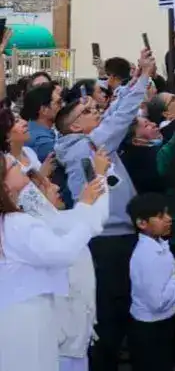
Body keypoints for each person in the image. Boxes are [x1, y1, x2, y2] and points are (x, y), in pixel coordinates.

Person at [55, 49, 153, 371]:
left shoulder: (89, 140)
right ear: (74, 127)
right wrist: (142, 81)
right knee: (110, 313)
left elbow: (113, 116)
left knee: (116, 309)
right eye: (87, 110)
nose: (96, 111)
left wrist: (137, 79)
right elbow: (119, 119)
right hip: (108, 240)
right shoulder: (84, 146)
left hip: (115, 236)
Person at [0, 155, 108, 371]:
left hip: (17, 313)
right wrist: (86, 209)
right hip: (28, 316)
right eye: (12, 165)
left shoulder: (11, 222)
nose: (19, 166)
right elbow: (63, 252)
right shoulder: (16, 224)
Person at [127, 193, 175, 371]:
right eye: (159, 216)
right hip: (151, 332)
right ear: (142, 224)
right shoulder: (146, 256)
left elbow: (170, 274)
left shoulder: (160, 245)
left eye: (167, 213)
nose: (168, 219)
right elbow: (158, 302)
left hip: (163, 326)